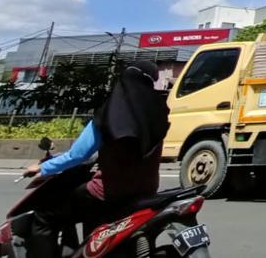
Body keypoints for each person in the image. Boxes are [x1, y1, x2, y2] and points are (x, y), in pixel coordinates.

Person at [26, 60, 170, 258]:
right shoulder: (159, 113)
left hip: (107, 194)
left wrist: (43, 168)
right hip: (146, 192)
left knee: (44, 216)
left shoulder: (112, 112)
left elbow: (77, 155)